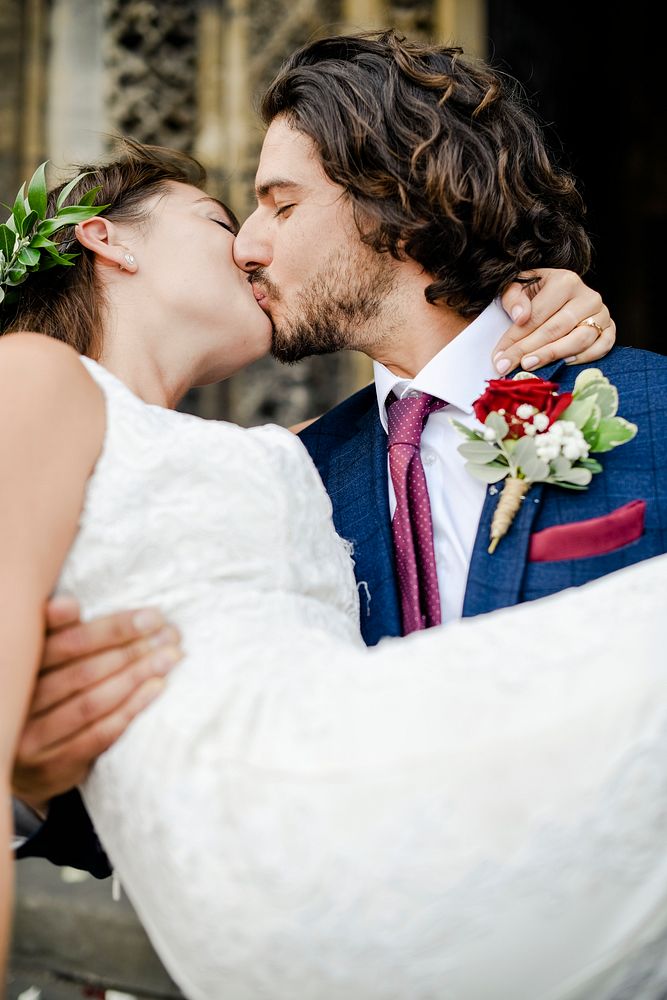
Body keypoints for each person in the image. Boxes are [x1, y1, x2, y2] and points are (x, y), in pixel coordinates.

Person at [0, 72, 666, 1000]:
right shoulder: (295, 469)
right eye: (231, 217)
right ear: (106, 244)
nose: (250, 249)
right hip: (322, 892)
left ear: (397, 203)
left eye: (275, 204)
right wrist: (27, 787)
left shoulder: (270, 463)